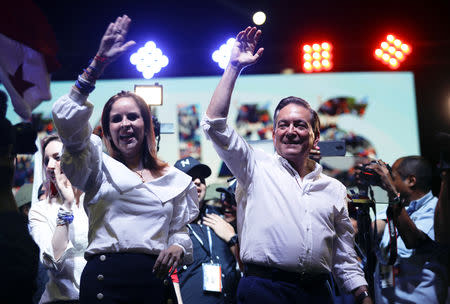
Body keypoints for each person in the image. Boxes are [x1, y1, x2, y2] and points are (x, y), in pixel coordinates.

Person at [202, 26, 371, 304]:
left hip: (318, 293)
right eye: (283, 124)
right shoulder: (254, 166)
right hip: (264, 290)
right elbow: (215, 125)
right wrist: (233, 67)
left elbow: (343, 256)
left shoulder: (334, 189)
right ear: (273, 134)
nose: (291, 130)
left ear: (315, 137)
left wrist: (363, 295)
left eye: (300, 125)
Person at [52, 15, 198, 303]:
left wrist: (178, 248)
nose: (125, 123)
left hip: (152, 284)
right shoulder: (94, 166)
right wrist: (98, 63)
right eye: (116, 119)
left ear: (147, 126)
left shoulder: (175, 179)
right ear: (106, 131)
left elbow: (178, 231)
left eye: (133, 116)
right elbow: (67, 122)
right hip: (105, 281)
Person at [368, 156, 448, 304]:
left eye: (393, 177)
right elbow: (372, 229)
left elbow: (413, 240)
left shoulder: (436, 211)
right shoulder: (397, 208)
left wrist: (392, 193)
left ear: (411, 181)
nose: (389, 181)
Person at [28, 135, 88, 304]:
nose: (49, 166)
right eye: (46, 160)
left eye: (57, 158)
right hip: (61, 300)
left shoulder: (94, 201)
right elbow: (54, 261)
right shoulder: (40, 211)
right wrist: (67, 205)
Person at [174, 156, 239, 304]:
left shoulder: (223, 216)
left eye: (201, 178)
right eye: (190, 177)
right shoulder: (170, 224)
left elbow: (246, 262)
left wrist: (231, 237)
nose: (197, 181)